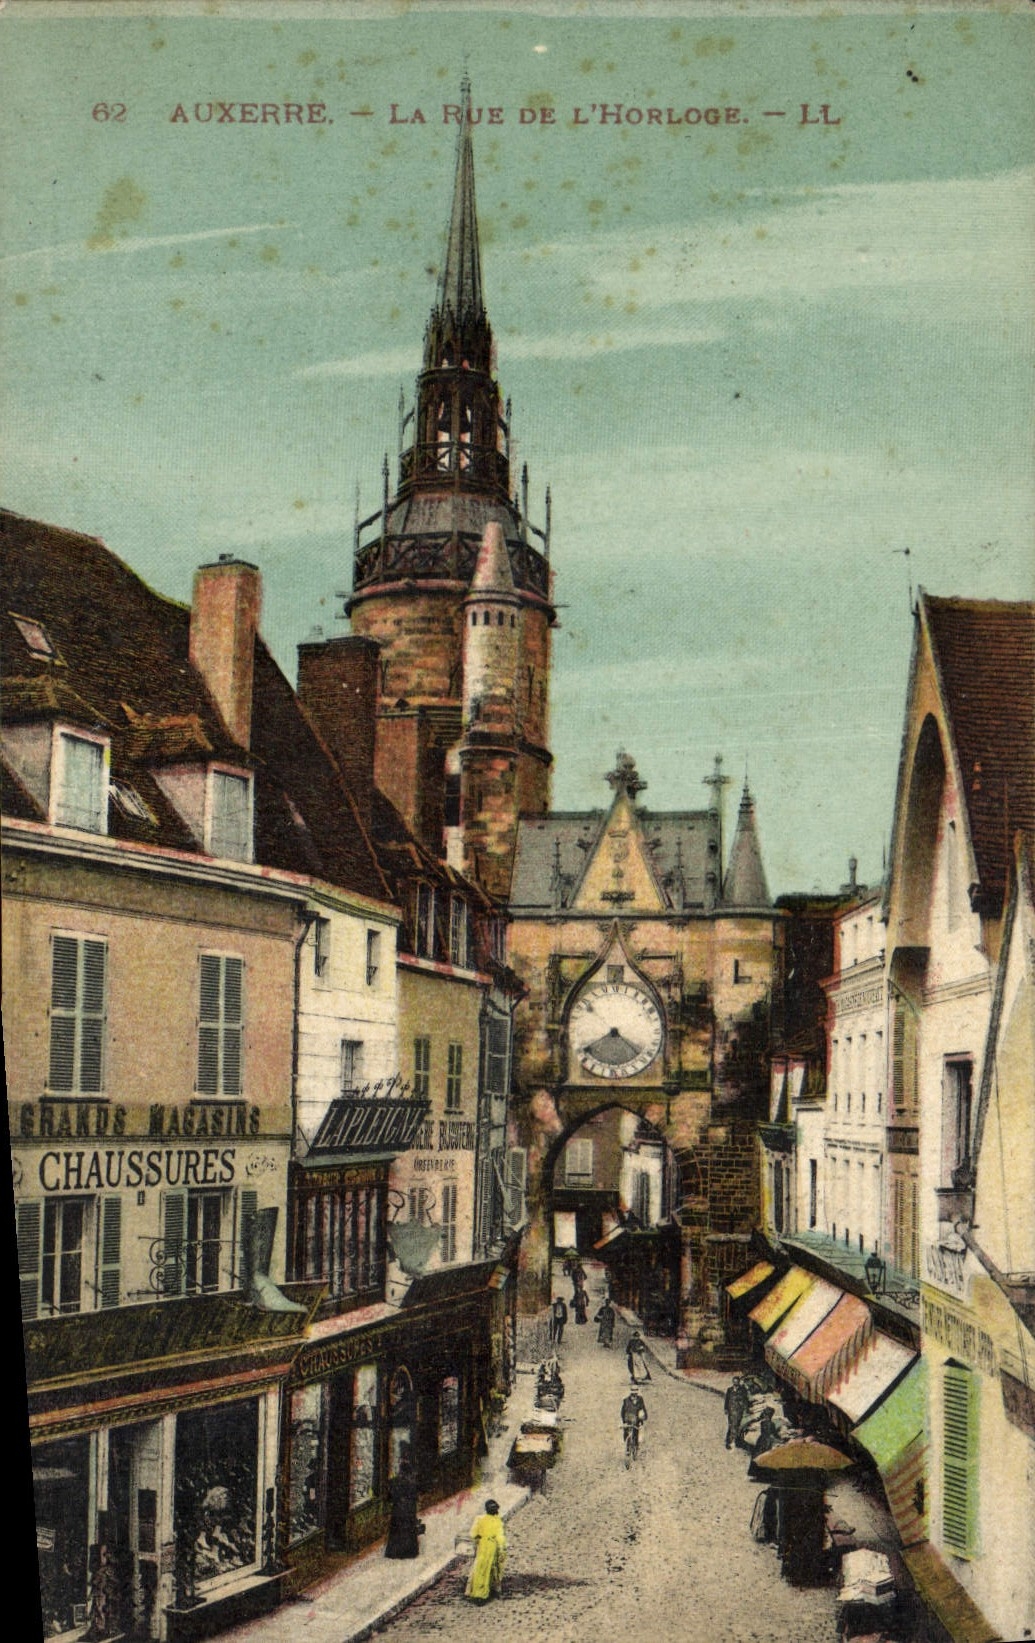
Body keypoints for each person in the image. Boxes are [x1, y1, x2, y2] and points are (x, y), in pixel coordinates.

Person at [465, 1499, 506, 1603]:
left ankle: (477, 1593)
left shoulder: (479, 1519)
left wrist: (479, 1537)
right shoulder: (497, 1521)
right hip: (492, 1546)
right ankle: (489, 1591)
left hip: (482, 1546)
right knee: (492, 1568)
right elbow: (500, 1537)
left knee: (480, 1568)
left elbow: (473, 1533)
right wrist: (501, 1549)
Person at [384, 1456, 421, 1559]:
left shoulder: (393, 1482)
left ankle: (394, 1552)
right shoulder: (413, 1483)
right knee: (408, 1530)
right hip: (409, 1510)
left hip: (397, 1510)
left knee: (397, 1531)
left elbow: (389, 1498)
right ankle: (409, 1552)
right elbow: (416, 1497)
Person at [620, 1388, 648, 1461]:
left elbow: (643, 1408)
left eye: (635, 1392)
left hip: (636, 1420)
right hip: (628, 1420)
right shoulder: (626, 1400)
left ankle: (635, 1447)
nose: (634, 1394)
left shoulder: (640, 1399)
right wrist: (624, 1421)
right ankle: (627, 1447)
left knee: (636, 1434)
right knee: (626, 1433)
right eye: (633, 1393)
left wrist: (644, 1416)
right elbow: (622, 1412)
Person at [724, 1375, 750, 1449]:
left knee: (738, 1426)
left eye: (737, 1382)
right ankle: (728, 1442)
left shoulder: (742, 1390)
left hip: (739, 1410)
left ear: (739, 1382)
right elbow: (727, 1399)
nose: (735, 1383)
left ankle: (737, 1442)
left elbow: (746, 1399)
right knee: (731, 1425)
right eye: (734, 1382)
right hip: (731, 1411)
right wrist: (726, 1409)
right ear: (732, 1382)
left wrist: (746, 1408)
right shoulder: (729, 1389)